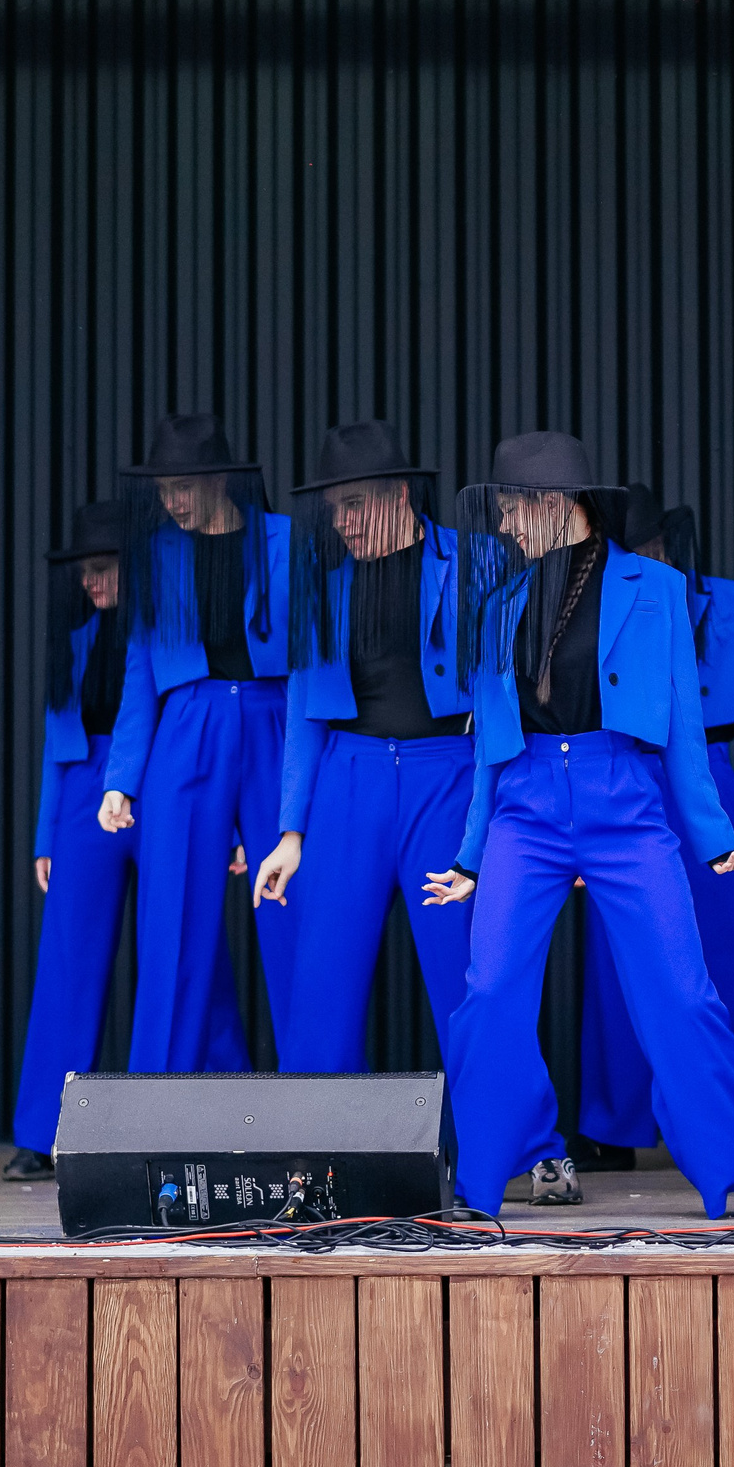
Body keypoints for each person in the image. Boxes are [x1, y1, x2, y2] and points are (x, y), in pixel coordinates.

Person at [419, 431, 734, 1219]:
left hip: (625, 804)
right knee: (488, 989)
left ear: (560, 505)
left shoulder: (652, 586)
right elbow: (489, 747)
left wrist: (717, 836)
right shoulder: (500, 603)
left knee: (680, 993)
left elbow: (685, 727)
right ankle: (476, 1184)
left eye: (517, 509)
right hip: (526, 811)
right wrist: (470, 857)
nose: (508, 526)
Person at [573, 487, 734, 1172]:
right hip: (622, 774)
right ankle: (612, 1124)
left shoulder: (727, 602)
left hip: (707, 774)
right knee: (617, 952)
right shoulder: (600, 597)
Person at [248, 420, 475, 1070]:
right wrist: (290, 832)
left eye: (355, 502)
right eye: (333, 508)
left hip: (447, 773)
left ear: (400, 494)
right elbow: (304, 715)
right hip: (349, 775)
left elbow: (501, 704)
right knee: (323, 970)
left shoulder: (470, 564)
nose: (342, 520)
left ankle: (509, 1150)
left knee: (466, 968)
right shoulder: (323, 586)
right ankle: (315, 1157)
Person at [97, 414, 293, 1073]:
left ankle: (321, 1108)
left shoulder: (287, 544)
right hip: (186, 726)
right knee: (170, 917)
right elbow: (139, 675)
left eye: (183, 486)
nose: (171, 501)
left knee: (295, 911)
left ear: (218, 480)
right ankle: (161, 1104)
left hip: (273, 719)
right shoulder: (156, 556)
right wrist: (120, 778)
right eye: (163, 489)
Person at [3, 500, 138, 1180]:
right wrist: (44, 834)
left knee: (187, 952)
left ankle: (214, 1111)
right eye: (85, 571)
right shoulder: (77, 642)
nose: (92, 582)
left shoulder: (159, 634)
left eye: (103, 568)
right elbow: (59, 748)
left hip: (154, 783)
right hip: (87, 793)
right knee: (67, 959)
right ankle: (40, 1132)